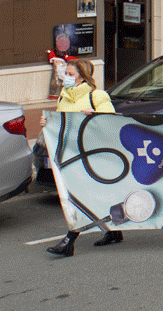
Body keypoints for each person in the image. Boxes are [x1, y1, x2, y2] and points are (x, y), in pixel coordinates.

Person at [44, 59, 120, 258]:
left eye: (70, 74)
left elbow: (110, 123)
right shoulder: (64, 97)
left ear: (82, 76)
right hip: (70, 153)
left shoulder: (97, 96)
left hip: (92, 154)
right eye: (66, 74)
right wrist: (48, 122)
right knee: (93, 193)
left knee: (79, 196)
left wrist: (94, 115)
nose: (66, 78)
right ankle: (114, 232)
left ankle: (69, 240)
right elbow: (62, 123)